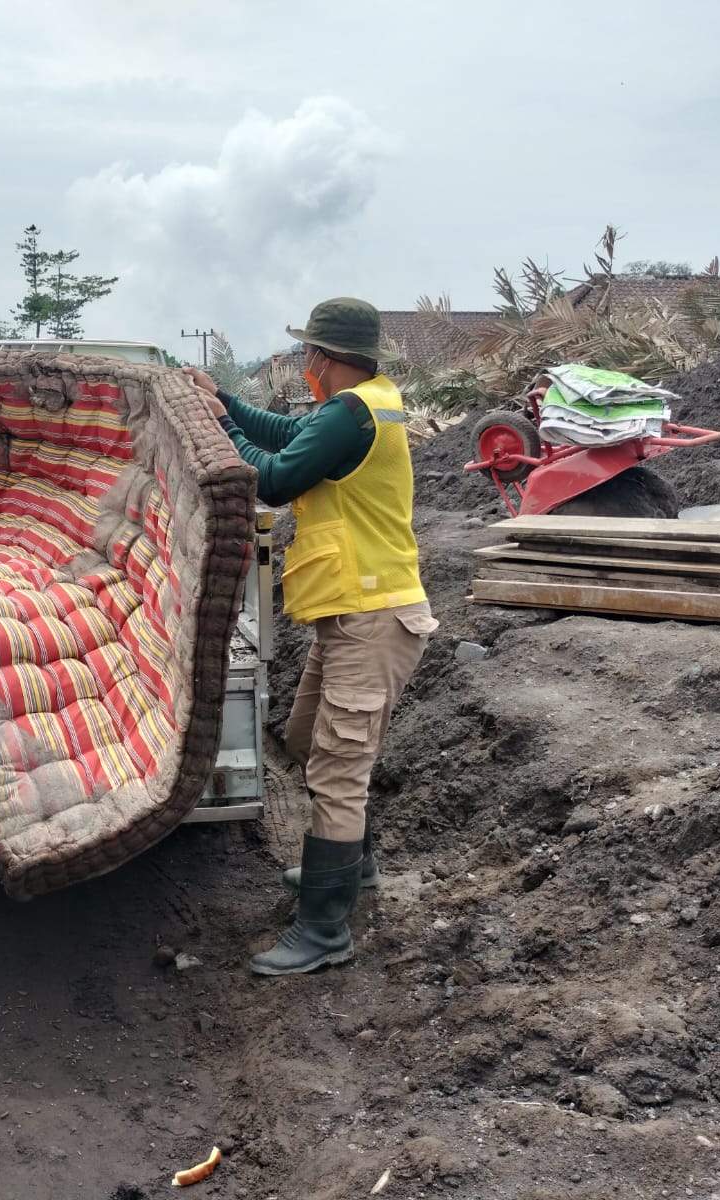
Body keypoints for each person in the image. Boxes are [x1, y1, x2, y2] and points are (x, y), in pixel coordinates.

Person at [184, 297, 437, 976]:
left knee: (338, 765)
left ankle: (326, 930)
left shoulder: (352, 413)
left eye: (308, 356)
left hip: (374, 615)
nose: (305, 367)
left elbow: (274, 476)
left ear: (323, 359)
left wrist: (217, 428)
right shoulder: (364, 406)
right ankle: (353, 867)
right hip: (354, 612)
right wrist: (229, 403)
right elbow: (290, 432)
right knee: (304, 740)